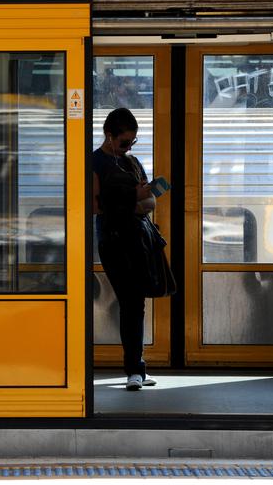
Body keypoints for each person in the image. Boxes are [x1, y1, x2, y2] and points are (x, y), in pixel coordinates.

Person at [93, 108, 157, 391]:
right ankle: (134, 367)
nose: (129, 147)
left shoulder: (132, 163)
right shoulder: (95, 162)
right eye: (124, 142)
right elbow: (95, 206)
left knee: (136, 301)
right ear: (110, 136)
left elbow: (151, 203)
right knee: (130, 299)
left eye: (133, 142)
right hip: (112, 238)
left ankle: (137, 366)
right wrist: (134, 200)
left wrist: (129, 202)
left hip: (136, 238)